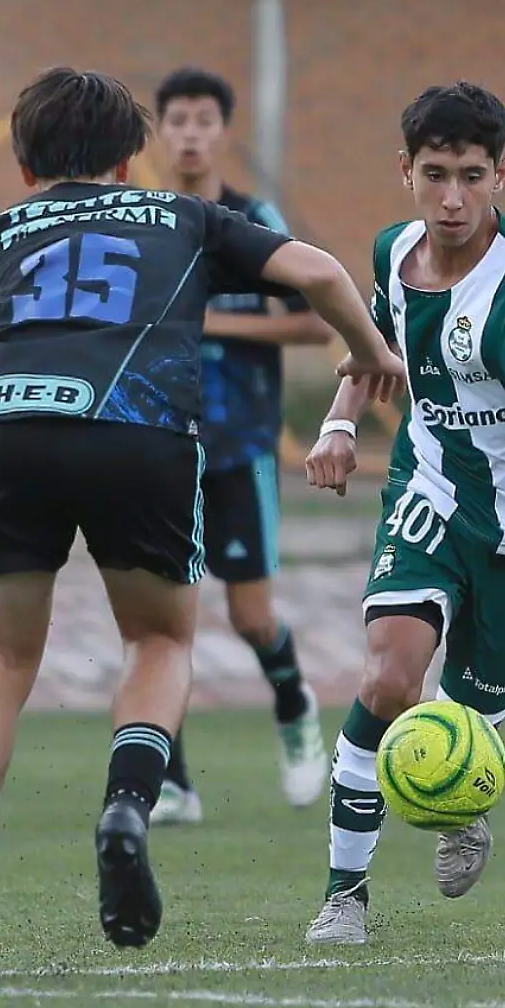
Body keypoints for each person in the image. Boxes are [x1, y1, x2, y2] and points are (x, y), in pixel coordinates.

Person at [0, 66, 403, 974]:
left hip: (6, 436)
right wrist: (373, 354)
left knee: (0, 658)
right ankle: (129, 809)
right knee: (161, 641)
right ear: (133, 160)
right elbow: (320, 272)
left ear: (24, 167)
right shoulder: (184, 219)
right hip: (138, 438)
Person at [299, 82, 505, 946]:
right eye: (435, 174)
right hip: (430, 489)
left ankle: (460, 801)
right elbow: (372, 350)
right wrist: (337, 424)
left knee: (466, 722)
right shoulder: (391, 253)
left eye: (472, 177)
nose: (452, 198)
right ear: (405, 170)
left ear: (501, 176)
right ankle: (343, 896)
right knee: (388, 678)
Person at [146, 66, 332, 826]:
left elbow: (314, 320)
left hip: (244, 441)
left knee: (250, 616)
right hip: (162, 444)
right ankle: (172, 782)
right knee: (164, 617)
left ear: (224, 131)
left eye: (203, 120)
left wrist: (217, 323)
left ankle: (294, 704)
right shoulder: (149, 223)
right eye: (177, 120)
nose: (190, 134)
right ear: (159, 133)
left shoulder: (253, 219)